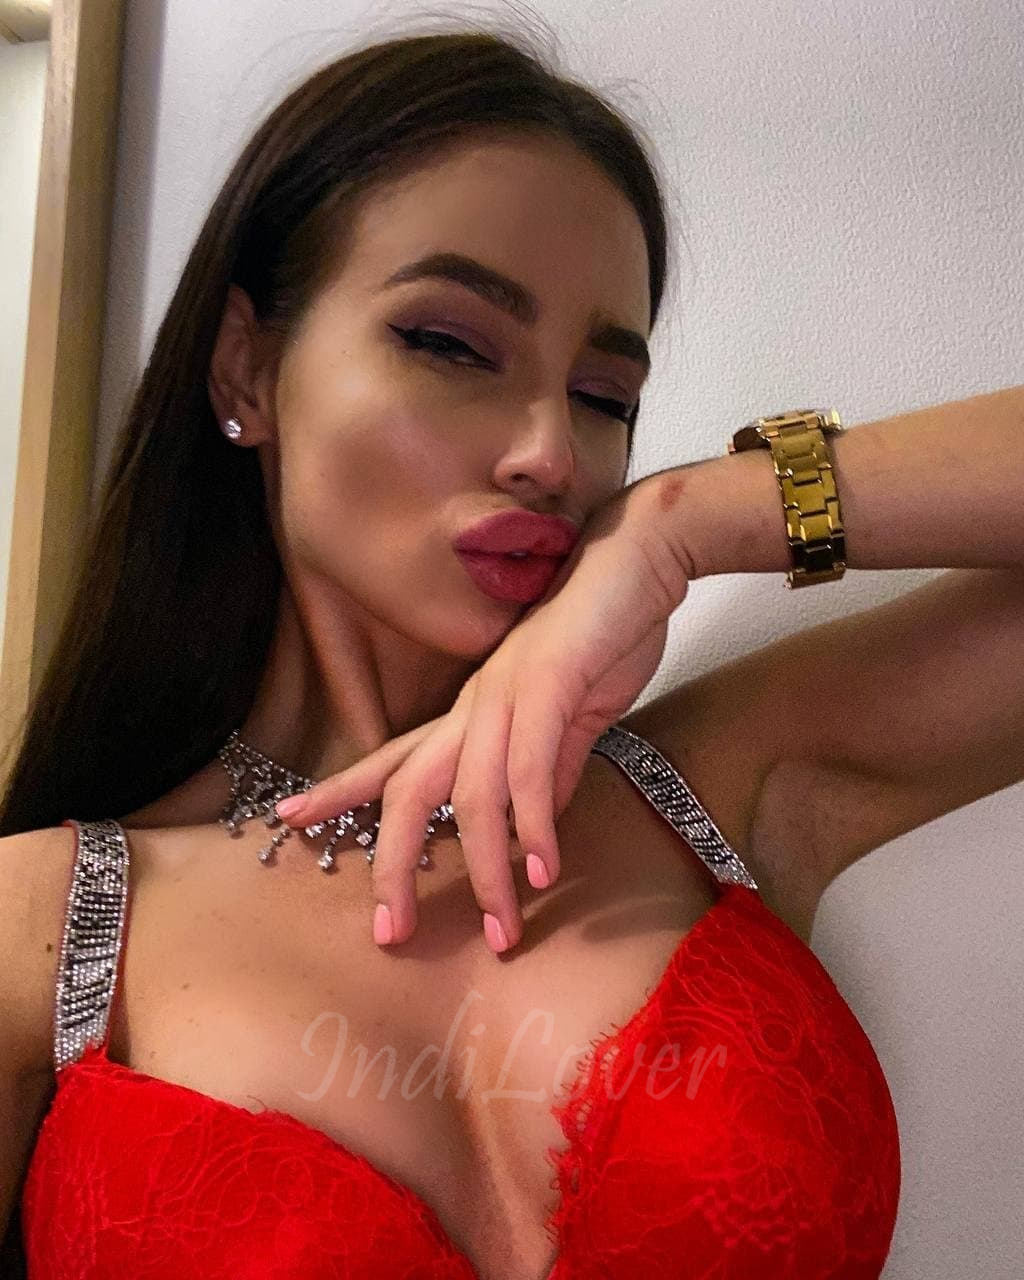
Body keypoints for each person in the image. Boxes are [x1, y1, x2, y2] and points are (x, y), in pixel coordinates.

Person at [1, 24, 1021, 1280]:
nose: (549, 452)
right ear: (246, 369)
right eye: (450, 344)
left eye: (603, 397)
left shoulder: (725, 785)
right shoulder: (36, 926)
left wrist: (685, 521)